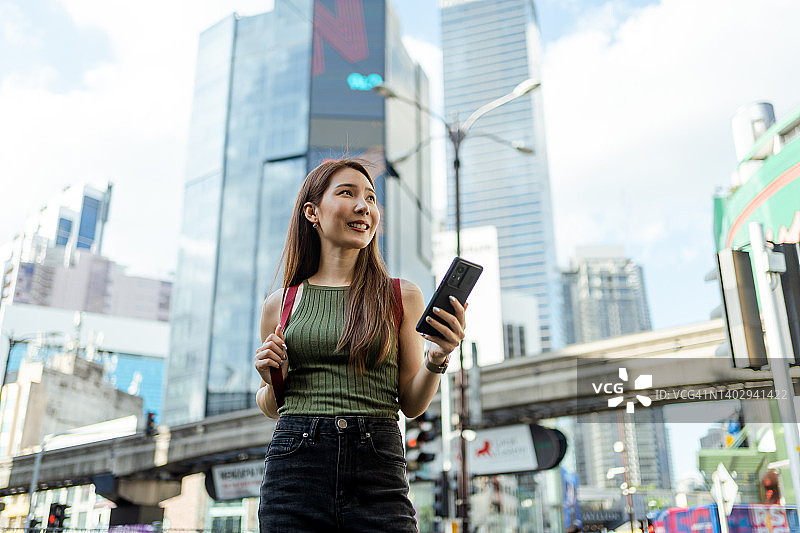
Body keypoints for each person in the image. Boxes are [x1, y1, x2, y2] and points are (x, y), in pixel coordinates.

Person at [254, 158, 468, 532]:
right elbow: (272, 406)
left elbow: (412, 405)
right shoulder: (281, 303)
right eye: (347, 193)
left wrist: (438, 357)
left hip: (377, 468)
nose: (363, 206)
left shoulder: (401, 296)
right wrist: (274, 377)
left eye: (370, 197)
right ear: (312, 212)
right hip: (295, 469)